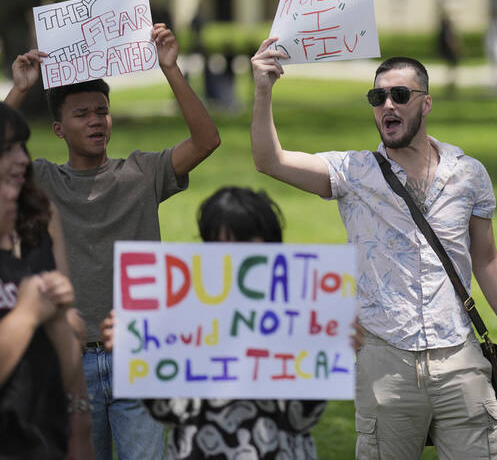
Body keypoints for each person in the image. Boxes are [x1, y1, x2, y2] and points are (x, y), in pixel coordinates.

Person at [250, 40, 497, 459]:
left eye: (400, 95)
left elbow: (486, 260)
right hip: (385, 361)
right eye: (378, 97)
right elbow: (270, 160)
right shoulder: (352, 172)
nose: (388, 105)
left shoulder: (469, 174)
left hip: (458, 357)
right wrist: (263, 91)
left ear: (425, 104)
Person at [6, 23, 221, 460]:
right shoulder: (43, 180)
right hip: (68, 359)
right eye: (81, 114)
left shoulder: (142, 173)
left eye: (101, 111)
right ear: (58, 128)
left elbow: (207, 140)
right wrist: (19, 88)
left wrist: (171, 68)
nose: (95, 121)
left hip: (137, 351)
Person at [100, 186, 327, 459]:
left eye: (244, 245)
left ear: (269, 245)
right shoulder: (184, 314)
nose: (231, 257)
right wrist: (137, 352)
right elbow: (170, 410)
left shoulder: (296, 315)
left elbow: (302, 417)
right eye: (219, 245)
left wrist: (327, 347)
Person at [0, 102, 93, 459]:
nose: (23, 159)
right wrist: (27, 315)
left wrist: (81, 428)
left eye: (22, 147)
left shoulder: (39, 214)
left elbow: (68, 328)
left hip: (44, 435)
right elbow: (28, 313)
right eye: (7, 150)